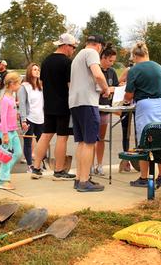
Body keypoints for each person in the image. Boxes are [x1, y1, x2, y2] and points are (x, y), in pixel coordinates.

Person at [31, 33, 78, 181]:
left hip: (49, 103)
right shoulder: (66, 63)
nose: (74, 50)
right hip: (63, 104)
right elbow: (70, 85)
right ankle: (58, 170)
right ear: (66, 46)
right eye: (73, 47)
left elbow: (43, 83)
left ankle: (36, 167)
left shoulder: (46, 61)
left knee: (45, 135)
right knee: (62, 138)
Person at [123, 41, 161, 188]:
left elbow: (129, 95)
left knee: (144, 142)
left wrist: (124, 100)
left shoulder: (134, 70)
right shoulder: (158, 67)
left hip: (146, 106)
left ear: (134, 56)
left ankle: (144, 177)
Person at [69, 34, 110, 192]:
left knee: (81, 142)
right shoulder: (92, 53)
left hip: (75, 102)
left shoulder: (78, 56)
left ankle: (80, 178)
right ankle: (85, 181)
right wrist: (106, 89)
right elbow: (98, 74)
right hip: (87, 102)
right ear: (99, 46)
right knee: (90, 142)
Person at [93, 43, 119, 176]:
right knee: (91, 139)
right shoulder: (95, 69)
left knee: (101, 139)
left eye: (113, 61)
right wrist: (103, 90)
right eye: (110, 60)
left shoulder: (112, 72)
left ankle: (99, 164)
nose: (111, 63)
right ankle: (90, 164)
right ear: (103, 57)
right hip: (93, 109)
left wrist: (109, 90)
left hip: (105, 110)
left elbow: (115, 88)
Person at [0, 72, 23, 190]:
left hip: (13, 130)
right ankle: (3, 180)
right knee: (7, 156)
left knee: (17, 154)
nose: (20, 86)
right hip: (6, 131)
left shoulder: (12, 98)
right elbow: (2, 117)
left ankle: (2, 171)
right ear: (12, 84)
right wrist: (5, 134)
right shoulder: (5, 99)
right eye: (18, 84)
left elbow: (10, 113)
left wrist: (16, 115)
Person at [18, 63, 44, 172]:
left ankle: (40, 163)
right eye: (34, 69)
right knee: (28, 142)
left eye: (38, 69)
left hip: (40, 117)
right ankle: (30, 165)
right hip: (29, 117)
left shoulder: (41, 87)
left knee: (42, 141)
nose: (37, 71)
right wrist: (23, 119)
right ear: (30, 71)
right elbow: (22, 104)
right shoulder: (24, 87)